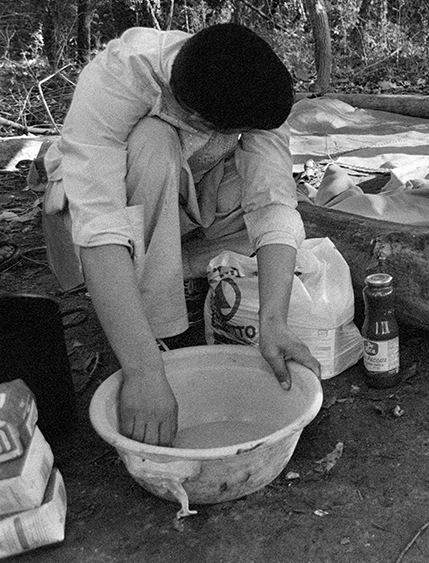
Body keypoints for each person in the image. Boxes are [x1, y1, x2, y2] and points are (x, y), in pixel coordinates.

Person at [42, 23, 321, 446]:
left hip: (189, 195)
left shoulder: (251, 88)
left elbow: (272, 202)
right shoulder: (118, 74)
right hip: (110, 196)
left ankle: (171, 273)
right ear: (195, 118)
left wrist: (273, 322)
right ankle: (153, 334)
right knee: (152, 142)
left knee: (275, 226)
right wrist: (143, 373)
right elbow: (99, 226)